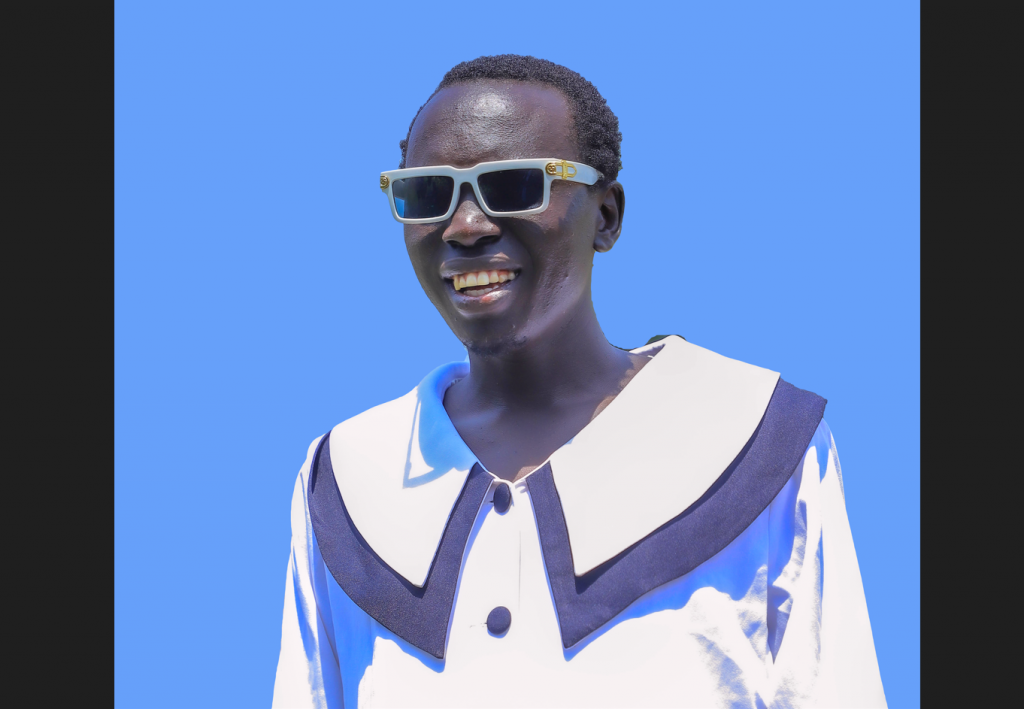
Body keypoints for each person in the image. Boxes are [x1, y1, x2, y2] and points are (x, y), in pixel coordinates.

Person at [272, 54, 886, 708]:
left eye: (514, 186)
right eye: (427, 194)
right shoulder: (347, 476)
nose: (466, 225)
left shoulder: (758, 435)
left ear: (607, 215)